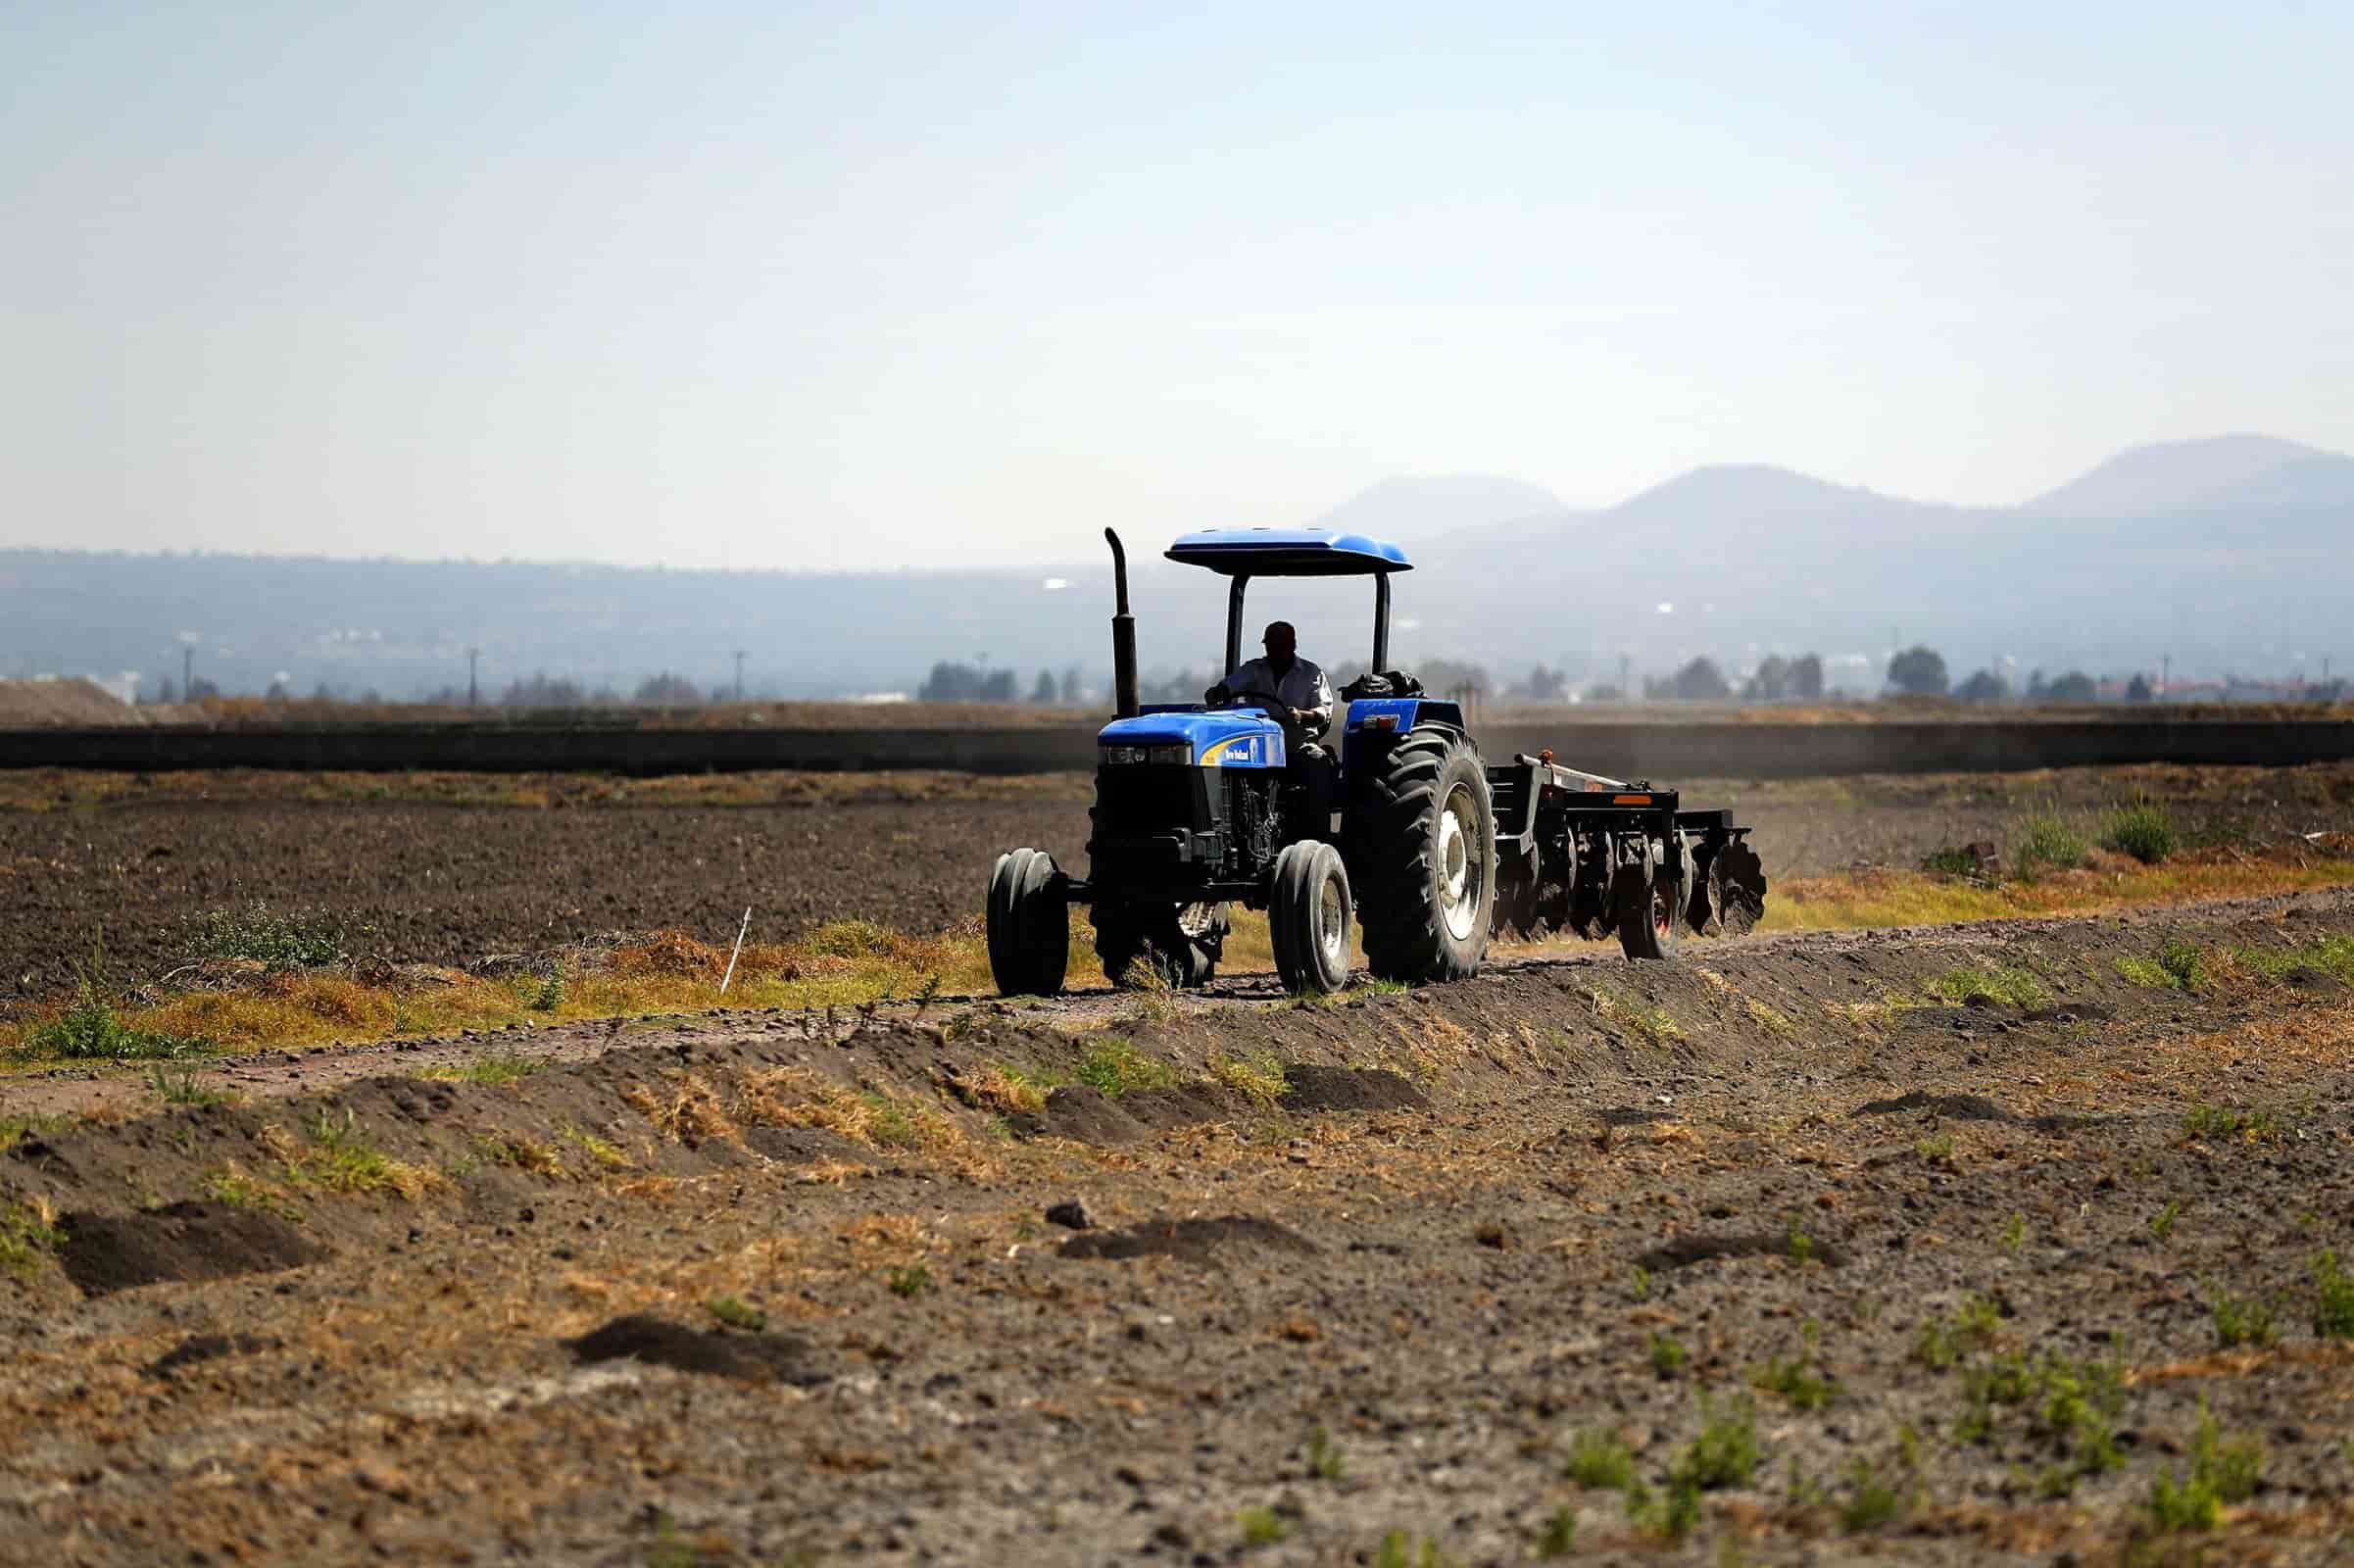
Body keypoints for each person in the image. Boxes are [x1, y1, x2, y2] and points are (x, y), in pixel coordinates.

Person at [1205, 620, 1334, 742]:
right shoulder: (1253, 669)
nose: (1275, 652)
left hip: (1299, 744)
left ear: (1293, 645)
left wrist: (1300, 715)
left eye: (1280, 646)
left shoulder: (1311, 674)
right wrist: (1217, 693)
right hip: (1258, 743)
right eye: (1271, 646)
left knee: (1315, 762)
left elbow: (1322, 714)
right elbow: (1230, 685)